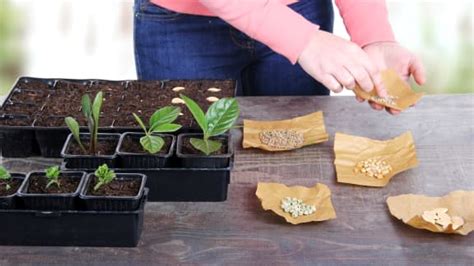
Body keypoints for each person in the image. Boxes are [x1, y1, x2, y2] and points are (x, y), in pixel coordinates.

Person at [133, 0, 426, 115]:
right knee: (189, 175)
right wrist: (303, 40)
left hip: (302, 12)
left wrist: (373, 33)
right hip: (180, 24)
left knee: (298, 166)